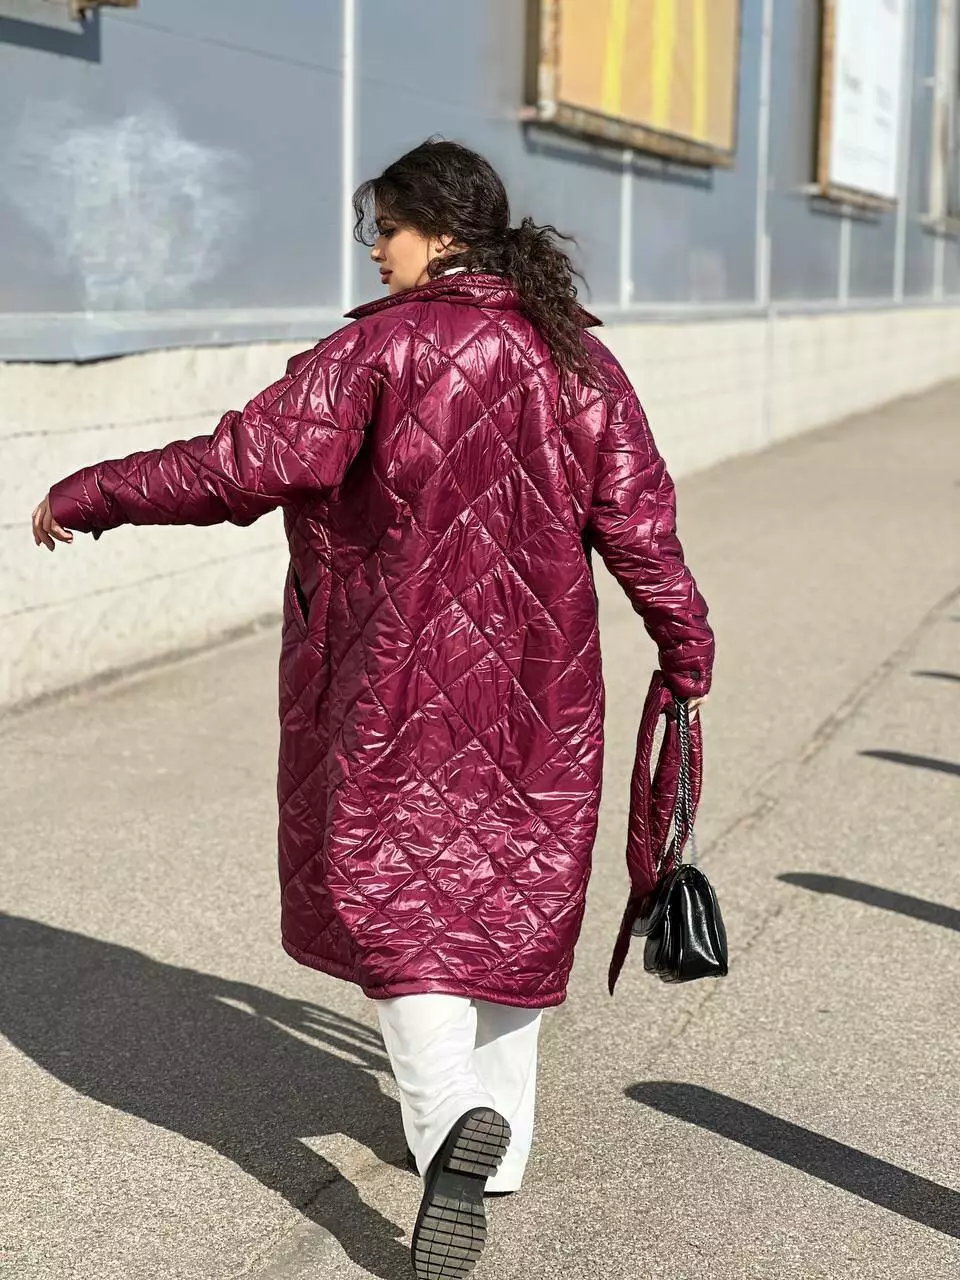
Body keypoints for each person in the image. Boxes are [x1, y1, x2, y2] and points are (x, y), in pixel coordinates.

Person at [33, 139, 714, 1280]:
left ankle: (449, 1121)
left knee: (396, 901)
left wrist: (91, 493)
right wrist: (686, 649)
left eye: (384, 231)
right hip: (544, 692)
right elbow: (642, 526)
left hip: (386, 686)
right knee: (511, 896)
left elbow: (238, 465)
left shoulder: (373, 351)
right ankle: (496, 1152)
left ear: (437, 232)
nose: (375, 253)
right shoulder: (579, 358)